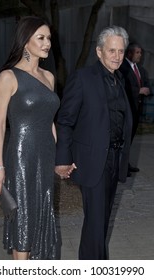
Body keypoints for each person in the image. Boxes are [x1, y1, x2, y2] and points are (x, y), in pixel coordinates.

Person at [55, 26, 132, 260]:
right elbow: (65, 120)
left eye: (121, 51)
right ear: (99, 52)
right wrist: (62, 159)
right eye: (112, 50)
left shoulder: (120, 79)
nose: (117, 56)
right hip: (92, 160)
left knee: (100, 222)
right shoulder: (82, 77)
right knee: (96, 224)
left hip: (114, 159)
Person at [0, 16, 60, 260]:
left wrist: (60, 157)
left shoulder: (49, 77)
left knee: (41, 214)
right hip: (21, 158)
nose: (47, 43)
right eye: (40, 38)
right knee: (23, 219)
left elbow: (50, 120)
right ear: (25, 41)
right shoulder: (8, 77)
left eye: (49, 38)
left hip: (45, 155)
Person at [119, 42, 150, 176]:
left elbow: (146, 84)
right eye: (137, 52)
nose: (140, 55)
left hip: (137, 109)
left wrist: (147, 89)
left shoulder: (140, 69)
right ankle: (121, 167)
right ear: (129, 53)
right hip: (127, 109)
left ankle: (126, 164)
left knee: (130, 138)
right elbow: (122, 87)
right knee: (124, 138)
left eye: (141, 53)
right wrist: (139, 90)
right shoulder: (122, 67)